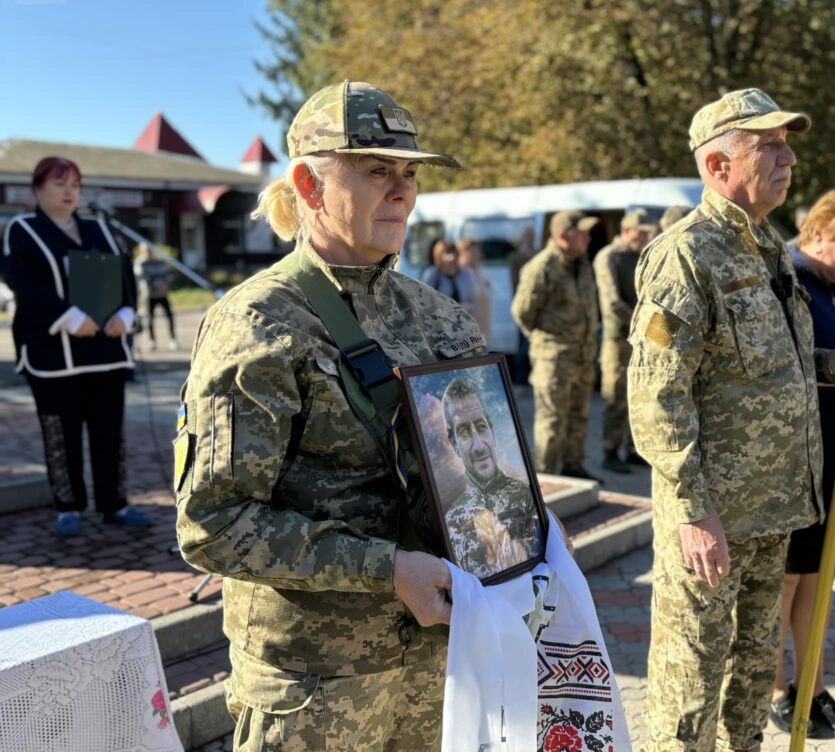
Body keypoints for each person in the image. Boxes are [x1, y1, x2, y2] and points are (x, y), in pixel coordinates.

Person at [174, 80, 484, 750]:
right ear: (308, 187)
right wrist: (386, 569)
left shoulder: (440, 317)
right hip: (317, 686)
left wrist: (529, 531)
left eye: (409, 172)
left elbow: (482, 469)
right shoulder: (259, 324)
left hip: (436, 666)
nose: (402, 190)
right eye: (375, 170)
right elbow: (213, 524)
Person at [628, 88, 835, 752]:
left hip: (773, 514)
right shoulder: (686, 254)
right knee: (691, 692)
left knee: (748, 687)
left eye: (787, 144)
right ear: (717, 166)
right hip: (713, 524)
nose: (788, 157)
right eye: (769, 145)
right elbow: (658, 396)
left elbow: (757, 363)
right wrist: (693, 511)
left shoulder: (766, 249)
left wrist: (831, 361)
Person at [1, 156, 149, 538]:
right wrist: (68, 317)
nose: (69, 192)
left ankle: (114, 503)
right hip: (54, 355)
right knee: (60, 434)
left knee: (108, 432)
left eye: (75, 185)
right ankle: (68, 507)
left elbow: (123, 275)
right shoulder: (22, 230)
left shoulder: (99, 228)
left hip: (105, 352)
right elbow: (24, 283)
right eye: (59, 184)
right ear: (37, 189)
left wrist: (128, 313)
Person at [770, 186, 835, 736]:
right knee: (786, 581)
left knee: (818, 580)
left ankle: (814, 687)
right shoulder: (788, 282)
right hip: (794, 459)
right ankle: (778, 690)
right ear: (815, 233)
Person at [511, 209, 600, 480]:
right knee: (552, 421)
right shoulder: (541, 267)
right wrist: (544, 340)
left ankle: (573, 468)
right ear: (563, 236)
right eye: (581, 232)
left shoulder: (582, 265)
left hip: (582, 356)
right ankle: (548, 477)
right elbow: (523, 311)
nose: (587, 238)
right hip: (555, 358)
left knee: (578, 415)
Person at [440, 378, 542, 577]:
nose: (478, 446)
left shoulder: (526, 496)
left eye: (481, 427)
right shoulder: (452, 522)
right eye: (464, 432)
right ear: (453, 444)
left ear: (492, 430)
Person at [593, 208, 654, 474]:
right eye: (638, 234)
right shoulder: (609, 256)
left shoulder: (641, 255)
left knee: (639, 398)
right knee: (616, 397)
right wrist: (641, 323)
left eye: (646, 234)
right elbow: (612, 300)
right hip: (618, 338)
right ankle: (609, 451)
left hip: (642, 339)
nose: (643, 238)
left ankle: (632, 449)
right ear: (625, 230)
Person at [134, 245, 179, 351]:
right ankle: (152, 341)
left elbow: (168, 274)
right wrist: (159, 284)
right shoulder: (141, 263)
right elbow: (143, 276)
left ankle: (173, 339)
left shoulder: (160, 262)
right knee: (150, 318)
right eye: (146, 251)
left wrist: (166, 283)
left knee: (169, 315)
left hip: (163, 294)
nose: (149, 253)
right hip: (150, 294)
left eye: (150, 251)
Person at [508, 226, 536, 384]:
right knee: (522, 346)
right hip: (523, 305)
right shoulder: (517, 256)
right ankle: (520, 379)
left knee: (528, 345)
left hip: (534, 307)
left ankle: (526, 377)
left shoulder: (534, 253)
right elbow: (516, 282)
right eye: (529, 236)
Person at [456, 237, 493, 343]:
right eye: (471, 250)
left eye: (476, 250)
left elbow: (486, 292)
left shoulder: (482, 270)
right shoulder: (460, 273)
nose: (476, 254)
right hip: (465, 330)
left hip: (483, 328)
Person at [422, 238, 475, 310]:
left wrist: (465, 306)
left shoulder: (465, 275)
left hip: (460, 317)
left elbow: (472, 302)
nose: (451, 258)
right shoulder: (432, 274)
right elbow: (423, 299)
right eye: (447, 254)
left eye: (453, 254)